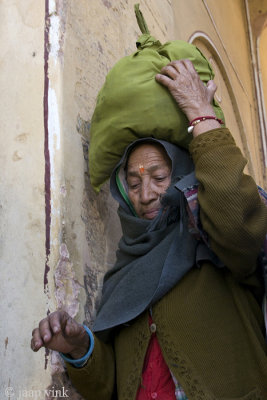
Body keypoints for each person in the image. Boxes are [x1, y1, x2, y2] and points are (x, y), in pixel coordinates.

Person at [31, 60, 267, 400]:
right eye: (134, 183)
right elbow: (109, 387)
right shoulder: (122, 274)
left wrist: (202, 115)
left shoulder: (217, 244)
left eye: (159, 178)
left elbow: (239, 224)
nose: (146, 195)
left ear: (184, 173)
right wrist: (80, 347)